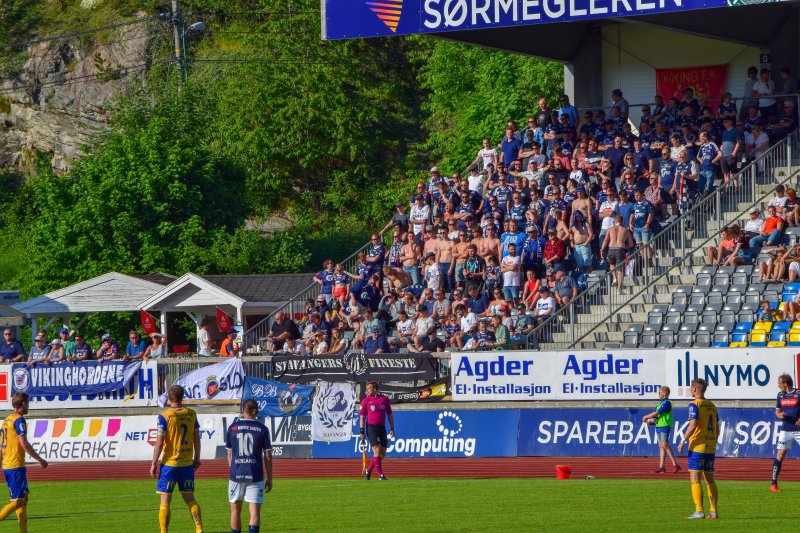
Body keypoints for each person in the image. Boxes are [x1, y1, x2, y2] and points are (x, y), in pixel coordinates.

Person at [151, 385, 204, 533]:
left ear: (169, 398)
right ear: (182, 398)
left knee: (165, 500)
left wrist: (154, 463)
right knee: (190, 499)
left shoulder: (164, 416)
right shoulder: (192, 414)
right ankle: (199, 528)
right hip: (187, 464)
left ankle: (164, 531)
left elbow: (159, 442)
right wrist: (197, 458)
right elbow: (196, 439)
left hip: (169, 464)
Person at [0, 392, 48, 532]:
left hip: (9, 465)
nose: (28, 406)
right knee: (18, 501)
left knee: (23, 499)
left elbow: (1, 444)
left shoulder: (6, 420)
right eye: (27, 403)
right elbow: (24, 444)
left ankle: (24, 531)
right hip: (15, 466)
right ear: (22, 404)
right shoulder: (19, 420)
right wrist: (40, 459)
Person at [226, 399, 273, 533]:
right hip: (255, 474)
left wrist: (233, 470)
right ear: (256, 411)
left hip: (236, 474)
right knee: (254, 512)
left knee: (235, 510)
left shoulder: (232, 428)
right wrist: (270, 478)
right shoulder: (262, 429)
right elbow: (268, 456)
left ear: (243, 410)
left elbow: (229, 455)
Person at [677, 378, 719, 520]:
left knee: (695, 478)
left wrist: (683, 440)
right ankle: (713, 511)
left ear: (695, 389)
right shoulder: (712, 405)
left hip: (697, 447)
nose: (690, 390)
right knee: (710, 479)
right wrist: (713, 441)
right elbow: (717, 428)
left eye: (691, 388)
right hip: (710, 447)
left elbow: (693, 424)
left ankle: (699, 511)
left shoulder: (694, 404)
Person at [359, 381, 395, 481]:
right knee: (377, 449)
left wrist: (392, 428)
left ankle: (369, 469)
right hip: (371, 428)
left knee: (382, 453)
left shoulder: (384, 399)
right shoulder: (365, 401)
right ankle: (381, 475)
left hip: (382, 427)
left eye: (369, 388)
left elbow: (390, 414)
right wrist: (361, 431)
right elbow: (362, 417)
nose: (367, 390)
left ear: (375, 389)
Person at [771, 373, 800, 491]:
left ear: (785, 384)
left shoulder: (798, 393)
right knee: (780, 454)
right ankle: (773, 484)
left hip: (798, 429)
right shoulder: (780, 395)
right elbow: (777, 411)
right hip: (786, 429)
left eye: (779, 383)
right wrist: (779, 415)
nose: (778, 386)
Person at [642, 386, 680, 474]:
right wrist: (651, 421)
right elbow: (657, 416)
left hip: (665, 426)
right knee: (661, 446)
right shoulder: (660, 403)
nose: (658, 394)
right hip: (659, 426)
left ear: (664, 394)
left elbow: (657, 413)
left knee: (665, 445)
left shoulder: (667, 403)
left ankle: (675, 465)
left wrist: (646, 417)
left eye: (659, 392)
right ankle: (662, 466)